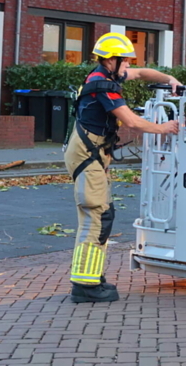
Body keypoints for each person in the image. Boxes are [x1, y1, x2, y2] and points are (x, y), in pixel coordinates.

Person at [65, 32, 179, 303]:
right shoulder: (103, 86)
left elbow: (142, 74)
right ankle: (85, 285)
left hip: (94, 154)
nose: (128, 65)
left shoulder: (107, 75)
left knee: (102, 213)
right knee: (97, 215)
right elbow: (133, 123)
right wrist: (166, 127)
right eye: (125, 61)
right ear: (111, 60)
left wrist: (169, 79)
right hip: (87, 154)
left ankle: (90, 277)